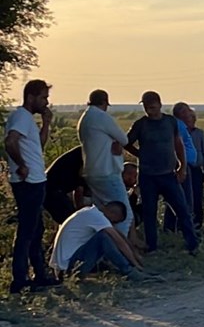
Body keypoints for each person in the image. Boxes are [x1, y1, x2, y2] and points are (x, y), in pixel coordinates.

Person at [125, 90, 198, 255]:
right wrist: (139, 154)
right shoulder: (141, 124)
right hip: (148, 176)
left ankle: (193, 245)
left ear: (159, 104)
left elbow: (178, 144)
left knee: (182, 210)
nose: (148, 110)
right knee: (149, 213)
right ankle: (152, 248)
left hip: (168, 174)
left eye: (151, 106)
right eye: (145, 107)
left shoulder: (170, 122)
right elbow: (126, 142)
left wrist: (182, 166)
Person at [5, 79, 57, 293]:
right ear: (31, 97)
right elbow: (10, 142)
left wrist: (46, 124)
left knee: (35, 229)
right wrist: (21, 165)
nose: (46, 101)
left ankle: (38, 275)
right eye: (43, 97)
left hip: (36, 179)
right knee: (28, 230)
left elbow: (39, 146)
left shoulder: (27, 119)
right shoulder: (21, 117)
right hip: (28, 182)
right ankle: (20, 279)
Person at [48, 202, 159, 282]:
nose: (113, 224)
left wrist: (134, 255)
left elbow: (118, 234)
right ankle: (129, 271)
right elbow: (118, 240)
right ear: (111, 212)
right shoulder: (96, 216)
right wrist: (134, 264)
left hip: (63, 267)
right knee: (103, 238)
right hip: (68, 269)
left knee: (106, 238)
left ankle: (122, 268)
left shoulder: (89, 212)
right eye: (114, 221)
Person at [78, 89, 132, 235]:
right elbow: (124, 139)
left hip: (91, 172)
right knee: (123, 215)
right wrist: (117, 142)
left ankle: (103, 250)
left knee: (102, 216)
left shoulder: (85, 118)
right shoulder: (101, 117)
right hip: (107, 172)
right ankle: (120, 250)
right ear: (104, 102)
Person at [163, 102, 198, 233]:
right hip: (183, 165)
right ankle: (183, 231)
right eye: (187, 111)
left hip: (185, 164)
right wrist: (181, 164)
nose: (190, 113)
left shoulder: (181, 125)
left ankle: (173, 229)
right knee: (184, 200)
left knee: (177, 198)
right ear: (181, 113)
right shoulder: (178, 125)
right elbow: (177, 145)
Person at [43, 145, 86, 225]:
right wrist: (81, 213)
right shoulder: (85, 155)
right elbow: (79, 190)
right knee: (71, 222)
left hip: (51, 188)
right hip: (52, 190)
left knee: (68, 221)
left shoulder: (83, 152)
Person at [184, 108, 204, 224]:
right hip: (184, 169)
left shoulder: (199, 133)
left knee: (197, 199)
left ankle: (198, 225)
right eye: (187, 118)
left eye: (191, 117)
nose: (190, 120)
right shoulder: (179, 133)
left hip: (196, 170)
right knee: (184, 199)